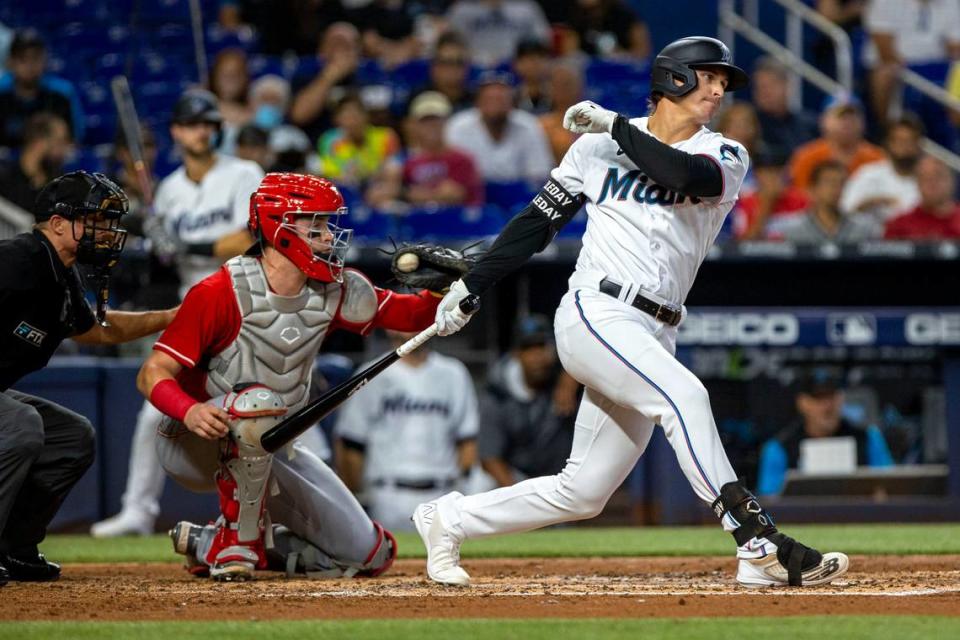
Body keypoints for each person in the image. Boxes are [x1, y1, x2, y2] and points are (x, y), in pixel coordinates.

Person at [414, 36, 849, 589]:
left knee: (584, 491)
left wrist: (615, 125)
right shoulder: (593, 149)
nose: (718, 89)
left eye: (723, 82)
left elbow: (686, 177)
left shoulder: (725, 153)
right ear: (673, 78)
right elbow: (535, 224)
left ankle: (447, 519)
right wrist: (471, 285)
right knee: (685, 396)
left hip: (656, 327)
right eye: (709, 76)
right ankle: (757, 543)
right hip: (597, 311)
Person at [138, 172, 443, 581]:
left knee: (370, 554)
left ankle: (211, 542)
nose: (326, 236)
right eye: (314, 225)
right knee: (255, 403)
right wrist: (190, 411)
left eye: (326, 225)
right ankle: (236, 543)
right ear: (277, 228)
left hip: (272, 441)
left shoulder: (332, 289)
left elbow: (411, 315)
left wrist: (445, 289)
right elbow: (152, 373)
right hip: (193, 438)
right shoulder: (218, 290)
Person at [90, 89, 265, 538]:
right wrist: (157, 245)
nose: (200, 131)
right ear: (177, 132)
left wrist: (187, 245)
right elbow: (163, 262)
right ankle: (137, 511)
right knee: (156, 408)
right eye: (191, 124)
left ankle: (282, 511)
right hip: (193, 307)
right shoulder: (167, 191)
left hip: (243, 300)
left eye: (207, 123)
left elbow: (252, 233)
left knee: (267, 407)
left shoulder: (243, 172)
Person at [0, 171, 175, 586]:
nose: (106, 231)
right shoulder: (18, 258)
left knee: (71, 435)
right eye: (94, 220)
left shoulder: (60, 273)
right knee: (22, 425)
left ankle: (15, 547)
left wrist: (171, 316)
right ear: (58, 224)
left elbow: (97, 329)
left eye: (108, 222)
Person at [335, 329, 479, 531]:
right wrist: (355, 498)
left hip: (442, 491)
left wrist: (461, 487)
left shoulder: (453, 372)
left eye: (418, 319)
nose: (411, 327)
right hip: (387, 495)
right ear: (389, 327)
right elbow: (351, 443)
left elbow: (467, 440)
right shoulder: (371, 373)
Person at [756, 367, 893, 497]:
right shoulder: (779, 448)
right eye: (818, 398)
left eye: (831, 396)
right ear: (803, 403)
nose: (827, 406)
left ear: (841, 399)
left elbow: (890, 487)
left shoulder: (868, 438)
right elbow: (770, 501)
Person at [478, 315, 576, 488]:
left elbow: (596, 355)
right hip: (515, 477)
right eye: (528, 348)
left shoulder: (565, 376)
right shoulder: (498, 393)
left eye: (542, 346)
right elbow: (490, 458)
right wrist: (521, 499)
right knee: (479, 483)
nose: (537, 355)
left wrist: (571, 380)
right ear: (516, 353)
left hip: (559, 477)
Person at [446, 71, 554, 186]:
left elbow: (540, 174)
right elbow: (452, 175)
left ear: (512, 101)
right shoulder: (459, 126)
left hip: (518, 196)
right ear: (478, 101)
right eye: (489, 99)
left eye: (501, 98)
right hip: (475, 195)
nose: (495, 105)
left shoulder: (528, 125)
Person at [0, 29, 83, 148]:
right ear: (11, 62)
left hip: (52, 162)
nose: (30, 65)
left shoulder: (62, 93)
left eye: (35, 58)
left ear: (44, 60)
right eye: (23, 59)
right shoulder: (2, 92)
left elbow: (73, 140)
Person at [840, 114, 923, 227]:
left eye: (910, 141)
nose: (905, 147)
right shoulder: (868, 174)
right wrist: (870, 202)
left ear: (918, 145)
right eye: (900, 141)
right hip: (869, 241)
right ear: (889, 144)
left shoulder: (928, 180)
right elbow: (844, 210)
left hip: (915, 240)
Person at [788, 94, 884, 191]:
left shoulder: (877, 158)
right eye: (841, 117)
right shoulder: (806, 157)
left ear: (863, 123)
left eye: (853, 117)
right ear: (824, 121)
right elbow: (799, 195)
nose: (847, 122)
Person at [778, 160, 877, 243]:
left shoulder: (863, 228)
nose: (837, 188)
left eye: (842, 183)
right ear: (812, 190)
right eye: (829, 182)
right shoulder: (792, 229)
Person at [446, 0, 551, 67]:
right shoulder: (463, 10)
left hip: (517, 69)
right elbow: (451, 46)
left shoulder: (526, 8)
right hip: (473, 68)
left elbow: (543, 41)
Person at [0, 112, 71, 212]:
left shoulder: (61, 181)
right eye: (59, 142)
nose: (65, 149)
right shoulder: (5, 179)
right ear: (39, 142)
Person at [750, 56, 819, 157]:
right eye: (759, 87)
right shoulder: (750, 126)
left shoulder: (809, 125)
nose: (764, 92)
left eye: (771, 86)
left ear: (788, 86)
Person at [884, 155, 960, 239]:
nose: (932, 183)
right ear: (917, 184)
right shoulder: (899, 226)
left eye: (938, 176)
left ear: (951, 180)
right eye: (925, 178)